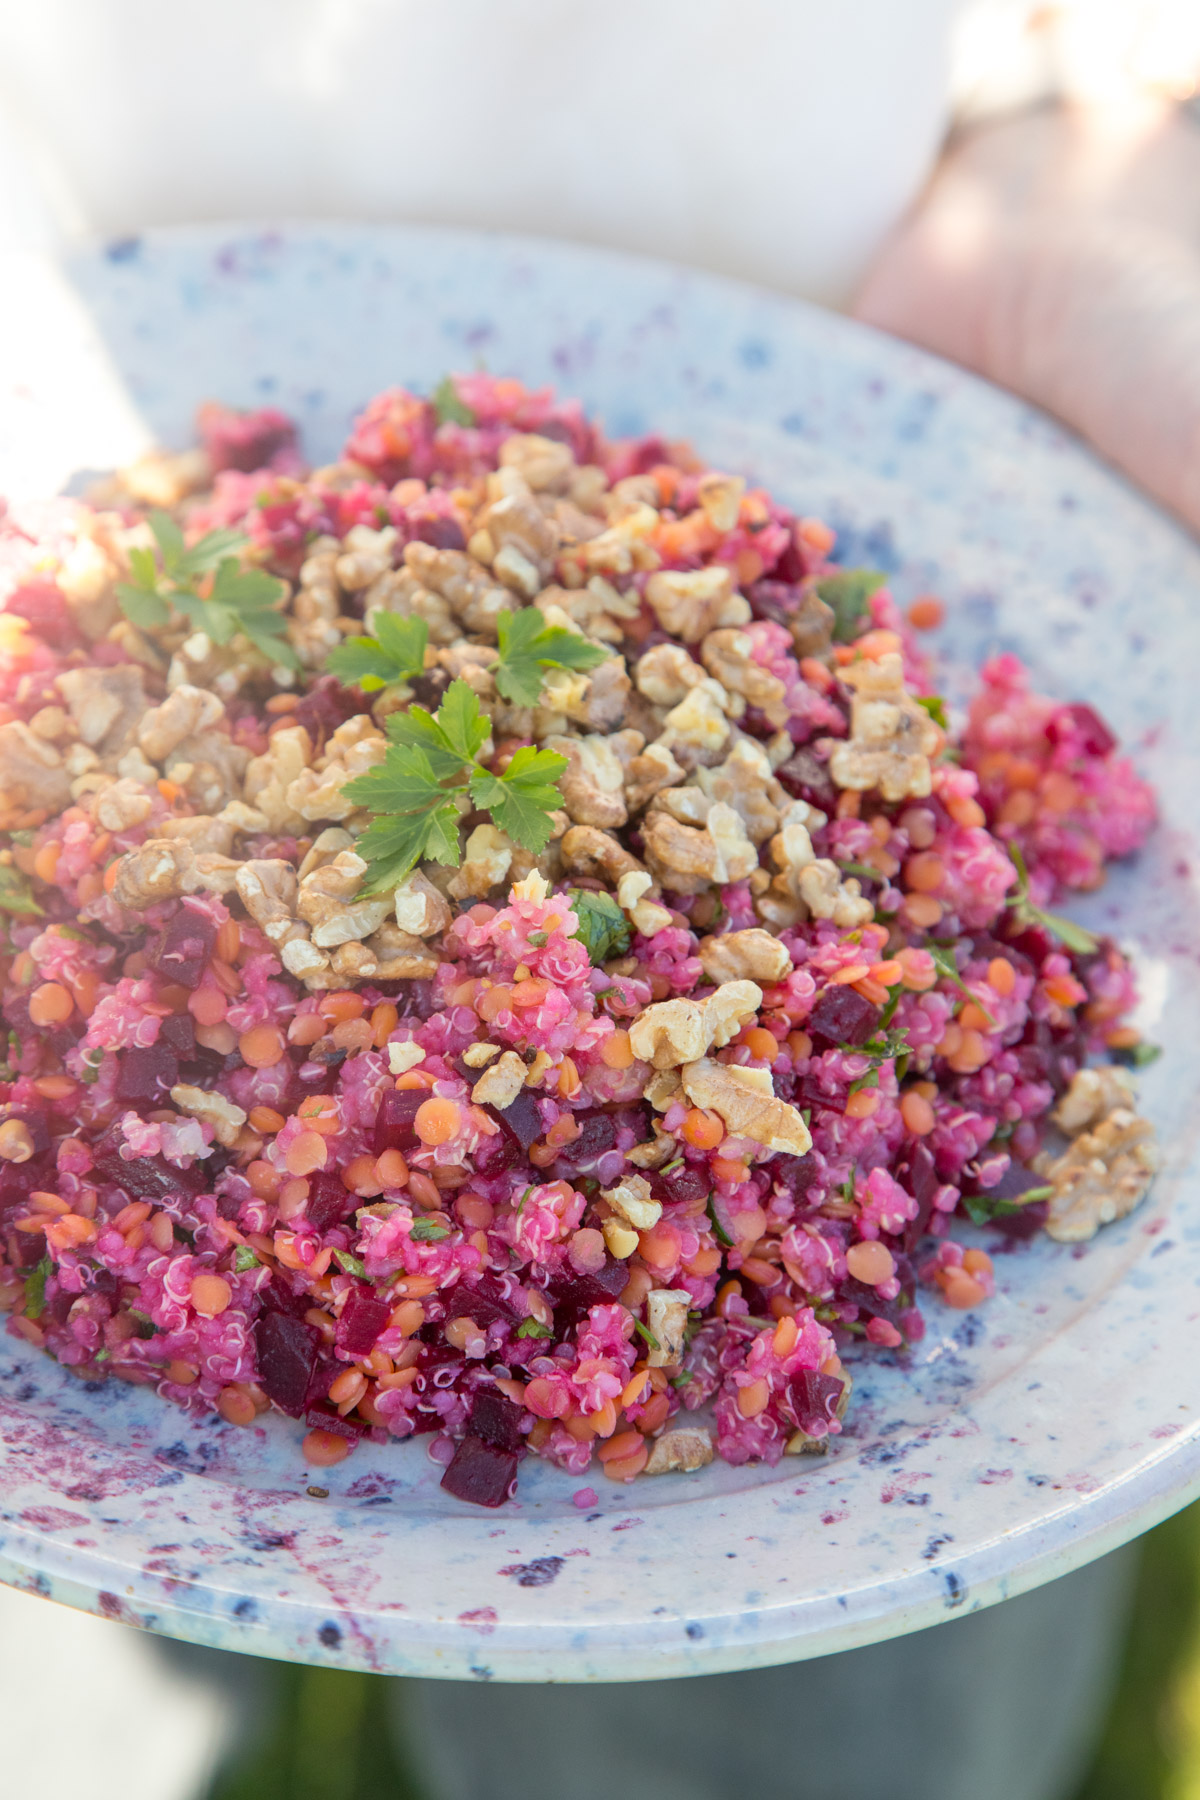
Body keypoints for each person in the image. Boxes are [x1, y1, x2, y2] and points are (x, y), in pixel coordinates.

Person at [0, 5, 1196, 1797]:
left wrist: (1063, 120)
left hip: (863, 281)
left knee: (761, 1757)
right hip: (90, 310)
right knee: (104, 1700)